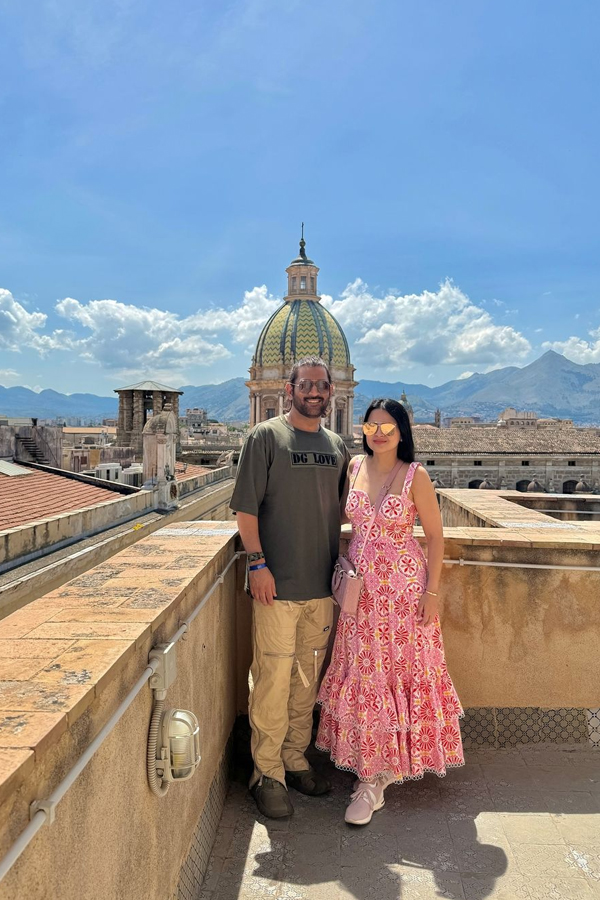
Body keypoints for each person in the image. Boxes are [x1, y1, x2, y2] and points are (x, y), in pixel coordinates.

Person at [316, 398, 464, 825]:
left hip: (403, 593)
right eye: (371, 426)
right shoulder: (354, 468)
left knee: (399, 672)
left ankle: (377, 777)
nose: (378, 434)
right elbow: (343, 523)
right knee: (367, 673)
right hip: (361, 595)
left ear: (402, 432)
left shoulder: (416, 475)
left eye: (388, 427)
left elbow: (435, 537)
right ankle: (370, 768)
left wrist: (431, 593)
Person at [231, 356, 350, 819]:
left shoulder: (337, 447)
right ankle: (266, 773)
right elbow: (246, 510)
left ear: (332, 392)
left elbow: (341, 509)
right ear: (289, 389)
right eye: (306, 385)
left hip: (321, 588)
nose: (314, 392)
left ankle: (295, 759)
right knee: (272, 680)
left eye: (322, 386)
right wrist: (257, 563)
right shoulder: (264, 437)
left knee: (305, 682)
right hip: (275, 587)